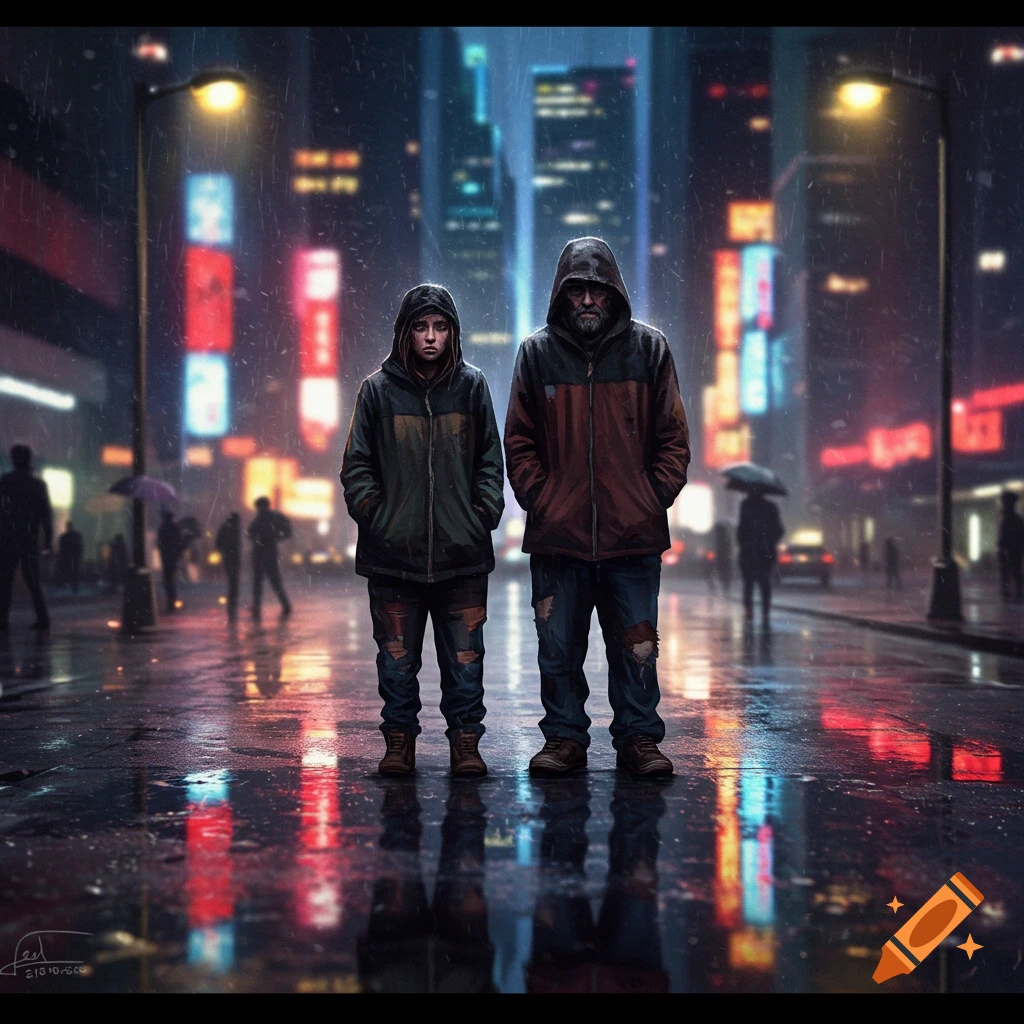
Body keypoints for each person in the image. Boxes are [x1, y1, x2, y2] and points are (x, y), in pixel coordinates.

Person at [505, 237, 690, 778]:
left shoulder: (649, 350)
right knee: (557, 648)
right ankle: (564, 739)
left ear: (613, 293)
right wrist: (545, 501)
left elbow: (673, 440)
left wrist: (646, 500)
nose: (587, 300)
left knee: (637, 648)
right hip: (558, 538)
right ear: (562, 295)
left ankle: (639, 738)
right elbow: (518, 441)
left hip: (632, 537)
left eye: (597, 290)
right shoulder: (536, 354)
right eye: (577, 290)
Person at [341, 283, 504, 778]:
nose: (430, 337)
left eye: (439, 327)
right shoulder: (377, 391)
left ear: (452, 333)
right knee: (395, 663)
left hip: (462, 556)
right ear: (405, 333)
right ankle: (398, 745)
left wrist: (481, 514)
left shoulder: (472, 386)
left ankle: (466, 746)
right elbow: (356, 466)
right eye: (421, 327)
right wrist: (379, 518)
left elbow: (490, 461)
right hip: (393, 558)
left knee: (466, 662)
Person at [0, 444, 53, 631]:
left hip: (8, 538)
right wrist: (48, 539)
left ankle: (3, 619)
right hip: (29, 538)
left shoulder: (5, 482)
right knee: (33, 581)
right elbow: (46, 514)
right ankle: (43, 618)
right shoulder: (38, 485)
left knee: (5, 581)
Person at [736, 489, 784, 628]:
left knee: (749, 583)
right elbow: (779, 529)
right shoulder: (770, 507)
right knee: (764, 582)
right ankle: (765, 612)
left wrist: (744, 543)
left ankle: (749, 611)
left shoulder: (745, 505)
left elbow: (741, 530)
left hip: (749, 552)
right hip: (765, 551)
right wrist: (770, 541)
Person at [247, 496, 292, 619]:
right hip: (270, 553)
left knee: (259, 582)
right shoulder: (275, 517)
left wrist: (262, 540)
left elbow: (250, 533)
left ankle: (257, 608)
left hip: (261, 553)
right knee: (274, 582)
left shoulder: (260, 519)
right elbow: (287, 531)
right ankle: (285, 605)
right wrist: (277, 537)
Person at [215, 512, 242, 621]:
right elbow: (237, 544)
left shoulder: (225, 527)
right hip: (234, 558)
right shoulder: (234, 528)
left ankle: (232, 604)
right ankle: (232, 604)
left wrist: (223, 551)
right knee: (233, 582)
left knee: (232, 581)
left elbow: (218, 543)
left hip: (228, 557)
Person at [997, 490, 1024, 602]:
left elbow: (1003, 536)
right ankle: (1015, 594)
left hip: (1011, 550)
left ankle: (1012, 594)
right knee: (1014, 573)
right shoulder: (1014, 518)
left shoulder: (1008, 518)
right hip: (1012, 550)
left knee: (1011, 573)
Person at [156, 509, 184, 614]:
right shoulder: (174, 528)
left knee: (167, 580)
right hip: (172, 558)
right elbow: (179, 543)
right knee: (171, 580)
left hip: (167, 558)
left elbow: (160, 543)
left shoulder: (163, 528)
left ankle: (170, 602)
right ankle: (172, 601)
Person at [56, 520, 84, 594]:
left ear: (67, 527)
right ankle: (74, 588)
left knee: (68, 571)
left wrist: (61, 558)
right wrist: (80, 557)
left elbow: (62, 548)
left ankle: (67, 587)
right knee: (75, 572)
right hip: (75, 557)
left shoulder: (64, 536)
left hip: (67, 557)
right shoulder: (77, 535)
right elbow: (80, 547)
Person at [713, 520, 733, 595]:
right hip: (724, 559)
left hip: (723, 559)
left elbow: (722, 550)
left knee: (723, 574)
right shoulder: (724, 538)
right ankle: (725, 589)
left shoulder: (721, 539)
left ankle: (725, 589)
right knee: (724, 575)